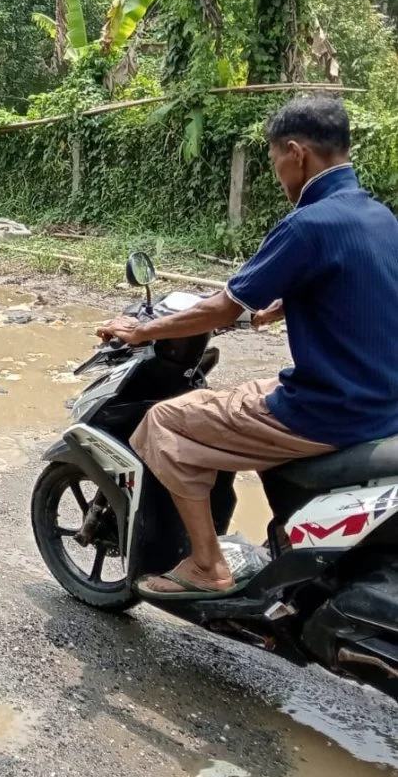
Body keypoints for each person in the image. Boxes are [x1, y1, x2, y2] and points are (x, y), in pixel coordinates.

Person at [97, 96, 398, 598]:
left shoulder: (308, 224)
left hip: (328, 410)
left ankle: (206, 565)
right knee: (245, 397)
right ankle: (280, 536)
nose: (277, 169)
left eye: (274, 156)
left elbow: (222, 308)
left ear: (297, 153)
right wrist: (288, 303)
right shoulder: (378, 217)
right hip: (382, 403)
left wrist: (141, 331)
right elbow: (362, 284)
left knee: (165, 422)